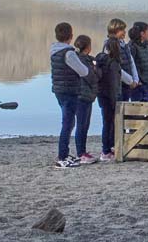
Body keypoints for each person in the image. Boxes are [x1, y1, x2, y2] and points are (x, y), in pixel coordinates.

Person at [50, 22, 90, 169]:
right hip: (69, 91)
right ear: (71, 36)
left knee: (67, 122)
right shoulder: (69, 53)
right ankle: (62, 157)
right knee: (68, 124)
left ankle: (65, 154)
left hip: (59, 90)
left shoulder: (54, 50)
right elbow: (83, 71)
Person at [96, 37, 131, 162]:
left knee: (107, 123)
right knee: (109, 123)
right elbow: (114, 83)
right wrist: (116, 99)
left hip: (101, 95)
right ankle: (106, 150)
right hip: (110, 97)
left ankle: (107, 148)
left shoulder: (100, 60)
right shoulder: (114, 64)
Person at [73, 35, 100, 165]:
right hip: (81, 96)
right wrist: (94, 70)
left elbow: (97, 74)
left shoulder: (89, 60)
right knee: (82, 125)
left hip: (88, 96)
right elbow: (92, 77)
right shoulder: (79, 61)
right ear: (88, 47)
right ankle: (81, 153)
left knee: (85, 124)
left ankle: (82, 151)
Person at [107, 18, 139, 101]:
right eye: (122, 30)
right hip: (117, 86)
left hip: (127, 85)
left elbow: (131, 62)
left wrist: (135, 80)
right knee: (117, 111)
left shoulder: (124, 45)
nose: (125, 32)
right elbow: (116, 68)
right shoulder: (109, 45)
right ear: (115, 30)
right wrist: (130, 81)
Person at [128, 21, 148, 101]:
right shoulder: (132, 47)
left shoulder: (146, 46)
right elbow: (132, 65)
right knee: (137, 110)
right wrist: (138, 80)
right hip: (139, 85)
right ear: (142, 34)